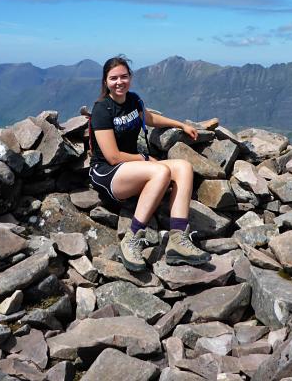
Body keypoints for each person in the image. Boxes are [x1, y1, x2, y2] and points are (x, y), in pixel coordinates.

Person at [88, 55, 211, 272]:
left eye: (124, 77)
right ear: (105, 81)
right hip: (107, 173)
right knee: (161, 172)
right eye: (114, 78)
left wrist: (181, 124)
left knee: (183, 167)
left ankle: (178, 239)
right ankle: (132, 239)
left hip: (132, 169)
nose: (119, 82)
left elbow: (149, 118)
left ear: (130, 78)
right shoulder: (102, 110)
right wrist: (145, 159)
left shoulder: (133, 100)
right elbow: (113, 157)